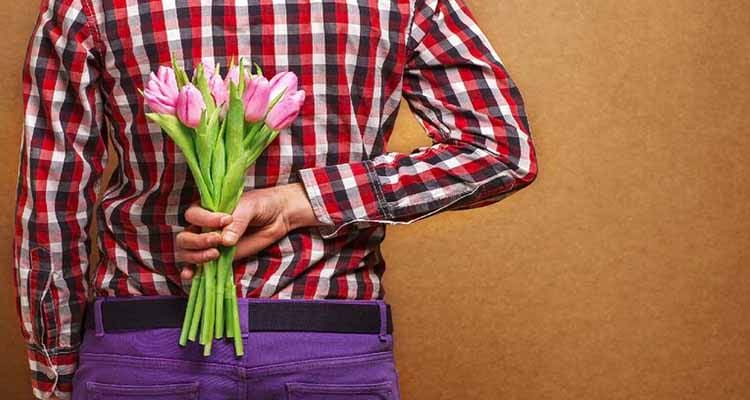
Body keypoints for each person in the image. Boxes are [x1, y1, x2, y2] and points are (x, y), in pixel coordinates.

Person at [13, 0, 538, 398]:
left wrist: (56, 373)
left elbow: (51, 207)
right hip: (330, 351)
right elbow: (499, 151)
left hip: (143, 354)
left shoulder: (87, 6)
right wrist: (305, 200)